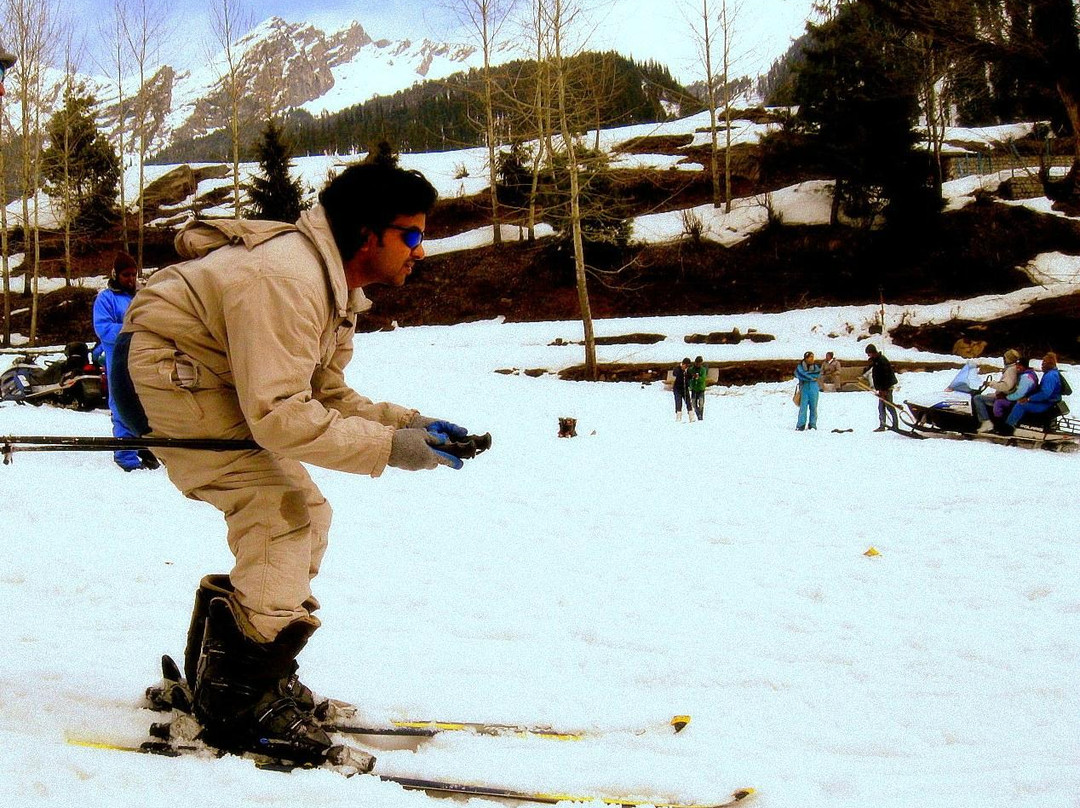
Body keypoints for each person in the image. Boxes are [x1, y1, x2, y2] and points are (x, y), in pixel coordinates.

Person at [112, 163, 482, 766]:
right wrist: (392, 450)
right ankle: (239, 707)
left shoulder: (333, 286)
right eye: (411, 235)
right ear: (368, 234)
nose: (421, 249)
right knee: (277, 511)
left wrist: (408, 426)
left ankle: (230, 680)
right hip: (170, 370)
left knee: (304, 511)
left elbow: (323, 393)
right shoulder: (287, 278)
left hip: (206, 370)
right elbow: (282, 415)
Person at [92, 251, 159, 471]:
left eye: (133, 274)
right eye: (126, 275)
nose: (130, 279)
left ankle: (145, 447)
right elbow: (103, 328)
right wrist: (132, 330)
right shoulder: (106, 298)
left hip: (144, 357)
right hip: (118, 359)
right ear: (116, 275)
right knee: (122, 405)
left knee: (147, 403)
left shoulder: (143, 295)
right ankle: (126, 457)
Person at [1004, 351, 1062, 433]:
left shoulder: (1050, 376)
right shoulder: (1053, 373)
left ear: (1049, 363)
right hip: (1050, 403)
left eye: (1044, 362)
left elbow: (1045, 393)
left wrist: (1029, 399)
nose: (1042, 365)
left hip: (1046, 404)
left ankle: (1007, 427)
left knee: (1020, 404)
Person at [971, 349, 1020, 433]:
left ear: (1008, 359)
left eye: (1005, 358)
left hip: (1005, 397)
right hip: (1006, 395)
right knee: (986, 396)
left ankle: (986, 422)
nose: (1003, 360)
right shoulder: (1012, 368)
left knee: (977, 398)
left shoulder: (1011, 370)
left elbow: (1006, 386)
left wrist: (991, 384)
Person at [863, 344, 898, 431]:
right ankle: (882, 425)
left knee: (889, 406)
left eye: (869, 354)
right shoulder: (876, 360)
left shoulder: (882, 361)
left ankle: (895, 425)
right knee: (881, 407)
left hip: (887, 387)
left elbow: (886, 376)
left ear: (873, 352)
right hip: (882, 388)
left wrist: (884, 390)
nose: (868, 356)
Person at [994, 356, 1037, 420]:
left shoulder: (1026, 378)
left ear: (1024, 366)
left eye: (1020, 365)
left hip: (1021, 401)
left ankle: (1000, 423)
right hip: (1021, 399)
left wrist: (1006, 397)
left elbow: (1019, 394)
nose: (1017, 367)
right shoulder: (1026, 374)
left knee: (998, 403)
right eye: (1017, 365)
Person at [794, 351, 821, 431]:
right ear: (806, 358)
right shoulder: (800, 367)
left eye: (813, 357)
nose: (812, 359)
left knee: (814, 407)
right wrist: (810, 377)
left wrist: (807, 376)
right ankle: (801, 425)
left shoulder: (816, 367)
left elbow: (817, 374)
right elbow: (799, 374)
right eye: (810, 357)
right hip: (804, 388)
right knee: (803, 407)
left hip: (814, 388)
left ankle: (812, 424)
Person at [672, 357, 694, 422]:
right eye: (686, 365)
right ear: (683, 364)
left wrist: (693, 376)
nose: (687, 367)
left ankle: (691, 417)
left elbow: (690, 376)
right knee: (678, 402)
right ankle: (678, 417)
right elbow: (674, 373)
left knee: (688, 402)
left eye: (688, 365)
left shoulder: (688, 370)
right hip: (677, 388)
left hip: (685, 388)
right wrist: (681, 369)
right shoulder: (677, 368)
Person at [688, 355, 707, 421]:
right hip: (694, 388)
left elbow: (703, 378)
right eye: (697, 363)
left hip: (701, 388)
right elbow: (689, 377)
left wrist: (698, 378)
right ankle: (698, 414)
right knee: (693, 403)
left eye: (699, 363)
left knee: (701, 403)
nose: (698, 364)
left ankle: (700, 415)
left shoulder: (703, 370)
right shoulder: (691, 369)